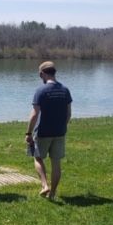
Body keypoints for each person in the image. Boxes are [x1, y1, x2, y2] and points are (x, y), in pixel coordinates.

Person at [25, 61, 72, 199]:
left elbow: (34, 114)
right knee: (56, 162)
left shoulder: (41, 90)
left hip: (43, 132)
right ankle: (52, 193)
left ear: (42, 74)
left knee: (38, 158)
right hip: (59, 132)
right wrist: (62, 126)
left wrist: (28, 133)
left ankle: (45, 185)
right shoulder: (65, 90)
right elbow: (68, 114)